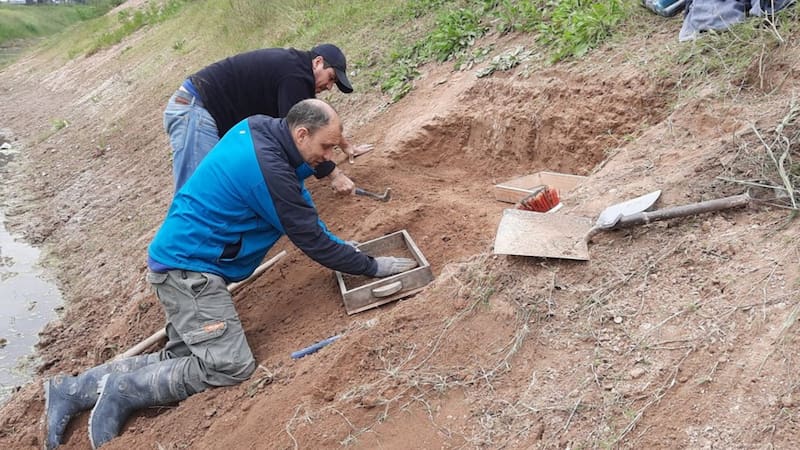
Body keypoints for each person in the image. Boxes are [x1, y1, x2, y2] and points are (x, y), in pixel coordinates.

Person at [42, 99, 416, 449]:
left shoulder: (261, 130)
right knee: (229, 365)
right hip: (190, 273)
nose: (329, 156)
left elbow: (300, 185)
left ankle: (72, 390)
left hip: (180, 259)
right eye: (327, 146)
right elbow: (312, 239)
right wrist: (371, 265)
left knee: (182, 356)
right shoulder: (269, 173)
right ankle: (126, 389)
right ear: (301, 134)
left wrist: (328, 177)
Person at [164, 43, 372, 193]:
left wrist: (346, 146)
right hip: (195, 109)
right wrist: (334, 174)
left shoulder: (296, 71)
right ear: (317, 62)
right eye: (331, 78)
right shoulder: (296, 75)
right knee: (195, 190)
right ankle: (182, 252)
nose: (329, 86)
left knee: (222, 184)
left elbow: (316, 120)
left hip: (208, 113)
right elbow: (295, 133)